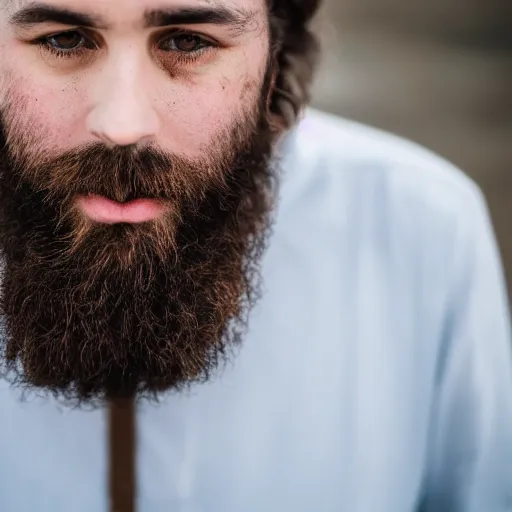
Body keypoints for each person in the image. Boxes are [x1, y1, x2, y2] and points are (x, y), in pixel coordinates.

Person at [0, 0, 511, 510]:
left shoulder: (417, 224)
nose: (122, 123)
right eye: (62, 38)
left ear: (277, 50)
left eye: (188, 42)